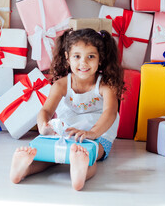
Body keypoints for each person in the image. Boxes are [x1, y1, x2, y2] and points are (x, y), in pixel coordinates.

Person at [10, 28, 125, 191]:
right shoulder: (61, 84)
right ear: (67, 58)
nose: (83, 63)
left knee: (91, 154)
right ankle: (23, 169)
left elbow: (110, 112)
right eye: (77, 56)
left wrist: (92, 133)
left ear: (100, 59)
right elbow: (46, 111)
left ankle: (80, 171)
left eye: (90, 56)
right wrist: (43, 126)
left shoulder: (106, 86)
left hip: (99, 133)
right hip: (69, 131)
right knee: (49, 157)